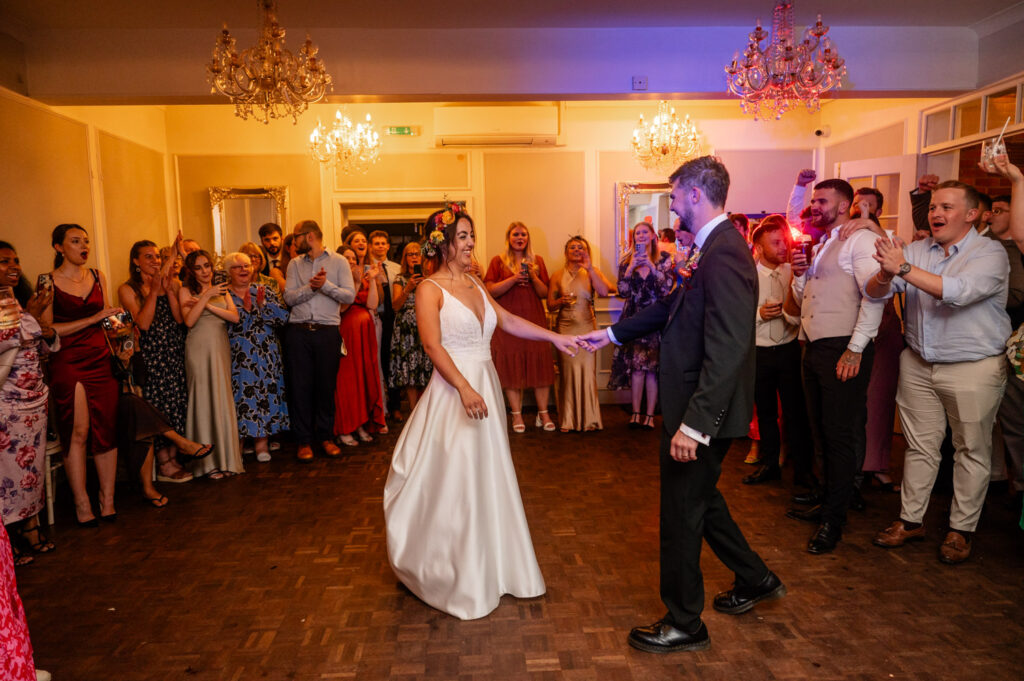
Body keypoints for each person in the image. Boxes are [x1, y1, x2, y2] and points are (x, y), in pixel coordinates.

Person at [577, 156, 785, 654]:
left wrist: (693, 426)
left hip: (704, 412)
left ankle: (685, 621)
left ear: (695, 193)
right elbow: (671, 308)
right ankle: (755, 578)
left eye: (674, 195)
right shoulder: (710, 247)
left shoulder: (727, 251)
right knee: (702, 501)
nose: (671, 204)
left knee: (680, 513)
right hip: (699, 406)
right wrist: (608, 332)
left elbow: (731, 345)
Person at [384, 204, 580, 620]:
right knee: (457, 481)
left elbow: (506, 320)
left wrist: (553, 339)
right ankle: (454, 572)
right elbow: (433, 346)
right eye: (463, 236)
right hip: (455, 391)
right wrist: (464, 387)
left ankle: (498, 565)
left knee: (489, 476)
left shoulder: (475, 281)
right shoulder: (429, 289)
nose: (471, 243)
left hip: (484, 385)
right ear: (443, 242)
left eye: (472, 235)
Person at [868, 178, 1011, 564]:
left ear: (972, 214)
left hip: (973, 366)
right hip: (917, 363)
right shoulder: (916, 250)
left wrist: (903, 267)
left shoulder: (989, 254)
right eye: (933, 207)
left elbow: (957, 291)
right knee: (920, 446)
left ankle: (960, 530)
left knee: (970, 450)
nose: (936, 213)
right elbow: (875, 292)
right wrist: (885, 272)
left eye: (947, 207)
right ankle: (910, 520)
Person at [783, 179, 885, 554]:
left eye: (822, 201)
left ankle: (834, 521)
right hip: (814, 347)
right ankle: (826, 502)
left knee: (839, 437)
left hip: (843, 347)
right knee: (821, 432)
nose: (814, 207)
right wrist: (798, 274)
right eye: (813, 200)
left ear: (844, 206)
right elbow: (805, 299)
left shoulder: (859, 240)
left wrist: (856, 348)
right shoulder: (824, 243)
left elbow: (875, 297)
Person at [45, 224, 122, 526]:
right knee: (78, 431)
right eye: (75, 241)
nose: (83, 246)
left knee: (106, 427)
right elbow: (47, 329)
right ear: (59, 248)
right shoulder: (47, 281)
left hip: (100, 357)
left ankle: (108, 499)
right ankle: (81, 502)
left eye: (86, 241)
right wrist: (92, 318)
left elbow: (106, 320)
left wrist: (120, 333)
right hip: (67, 359)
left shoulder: (98, 276)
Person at [743, 216, 816, 493]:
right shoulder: (747, 276)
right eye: (775, 243)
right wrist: (758, 316)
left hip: (788, 350)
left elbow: (807, 311)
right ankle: (770, 464)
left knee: (796, 413)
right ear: (759, 247)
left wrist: (790, 314)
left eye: (783, 242)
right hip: (759, 352)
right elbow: (734, 318)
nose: (782, 248)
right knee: (766, 414)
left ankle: (803, 472)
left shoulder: (793, 272)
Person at [117, 239, 193, 484]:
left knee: (177, 403)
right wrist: (153, 291)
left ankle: (173, 458)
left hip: (173, 351)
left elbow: (179, 319)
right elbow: (143, 323)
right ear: (136, 261)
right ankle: (163, 462)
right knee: (157, 405)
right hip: (150, 356)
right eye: (148, 257)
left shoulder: (173, 283)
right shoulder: (128, 289)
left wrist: (168, 288)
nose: (155, 261)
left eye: (157, 257)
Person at [0, 241, 57, 566]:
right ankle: (9, 539)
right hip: (6, 402)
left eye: (16, 260)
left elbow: (37, 346)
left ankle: (31, 525)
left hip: (34, 400)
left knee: (30, 471)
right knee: (7, 474)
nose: (14, 266)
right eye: (4, 261)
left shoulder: (19, 300)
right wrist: (31, 318)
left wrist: (43, 329)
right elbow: (6, 343)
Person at [284, 221, 356, 462]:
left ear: (311, 236)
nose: (294, 242)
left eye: (297, 237)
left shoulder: (339, 262)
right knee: (300, 388)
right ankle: (303, 441)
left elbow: (349, 295)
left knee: (325, 387)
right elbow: (289, 298)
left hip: (327, 331)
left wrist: (326, 286)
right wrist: (312, 288)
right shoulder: (294, 264)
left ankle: (325, 437)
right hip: (298, 331)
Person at [483, 222, 555, 432]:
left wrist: (533, 276)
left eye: (524, 234)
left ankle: (543, 413)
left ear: (527, 238)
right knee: (511, 366)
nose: (520, 237)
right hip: (507, 321)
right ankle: (516, 414)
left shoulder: (537, 261)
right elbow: (490, 291)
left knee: (539, 363)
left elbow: (544, 293)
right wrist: (514, 279)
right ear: (509, 237)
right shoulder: (498, 261)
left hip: (534, 318)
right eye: (516, 234)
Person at [180, 250, 243, 479]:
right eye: (198, 267)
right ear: (191, 271)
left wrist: (207, 304)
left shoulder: (221, 288)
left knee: (221, 397)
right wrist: (206, 297)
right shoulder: (185, 290)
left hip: (219, 347)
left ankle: (225, 459)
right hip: (197, 348)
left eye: (207, 266)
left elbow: (234, 317)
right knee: (203, 400)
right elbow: (188, 320)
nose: (205, 271)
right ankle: (206, 464)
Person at [224, 252, 290, 463]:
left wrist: (262, 306)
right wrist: (244, 311)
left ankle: (262, 444)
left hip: (265, 353)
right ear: (228, 272)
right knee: (241, 397)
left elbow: (283, 318)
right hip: (238, 355)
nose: (244, 270)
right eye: (237, 267)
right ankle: (240, 445)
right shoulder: (223, 295)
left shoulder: (265, 290)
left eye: (246, 265)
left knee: (264, 396)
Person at [609, 221, 674, 429]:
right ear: (634, 238)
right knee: (637, 368)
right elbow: (623, 292)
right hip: (635, 317)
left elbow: (666, 290)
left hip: (655, 318)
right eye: (638, 233)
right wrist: (630, 269)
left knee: (652, 369)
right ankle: (635, 414)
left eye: (645, 232)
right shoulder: (627, 260)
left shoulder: (663, 259)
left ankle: (650, 416)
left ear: (653, 235)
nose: (641, 236)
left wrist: (651, 267)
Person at [548, 236, 613, 432]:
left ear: (586, 252)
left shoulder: (592, 272)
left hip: (587, 327)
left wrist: (591, 268)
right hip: (565, 328)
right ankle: (567, 419)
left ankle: (590, 419)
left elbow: (603, 292)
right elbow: (550, 305)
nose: (576, 250)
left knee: (587, 373)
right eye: (572, 247)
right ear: (566, 252)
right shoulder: (557, 275)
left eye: (580, 247)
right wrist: (560, 302)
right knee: (567, 374)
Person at [334, 247, 386, 446]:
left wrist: (371, 280)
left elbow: (372, 305)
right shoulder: (336, 281)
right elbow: (343, 307)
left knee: (364, 379)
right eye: (346, 258)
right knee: (347, 382)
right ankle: (345, 426)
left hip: (365, 335)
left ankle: (361, 424)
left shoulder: (363, 278)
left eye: (353, 258)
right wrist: (355, 282)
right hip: (346, 333)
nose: (351, 261)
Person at [389, 242, 433, 412]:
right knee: (410, 372)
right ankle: (414, 411)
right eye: (410, 254)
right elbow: (395, 306)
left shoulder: (431, 278)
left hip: (427, 325)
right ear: (405, 258)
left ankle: (428, 410)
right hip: (406, 329)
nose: (414, 257)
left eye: (417, 253)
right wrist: (408, 288)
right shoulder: (399, 279)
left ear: (422, 257)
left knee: (427, 368)